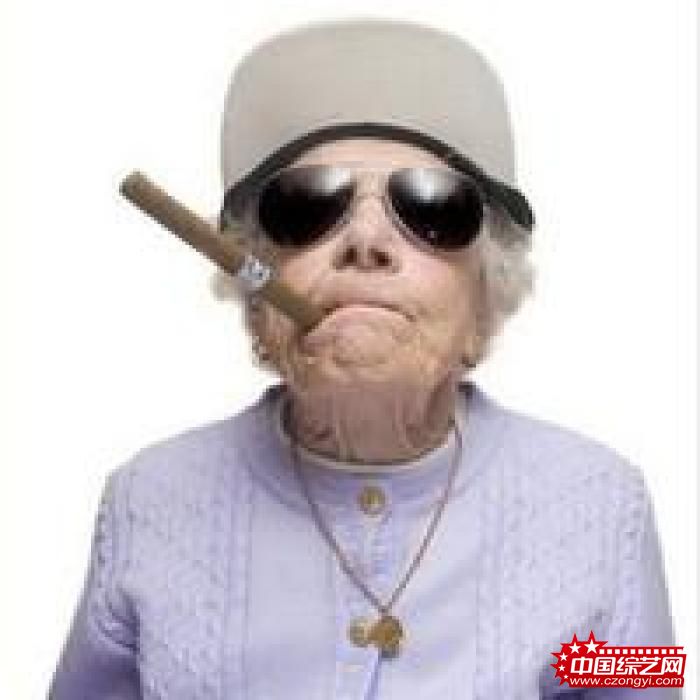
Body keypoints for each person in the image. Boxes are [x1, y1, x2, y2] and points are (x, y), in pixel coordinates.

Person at [49, 17, 679, 699]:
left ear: (486, 298)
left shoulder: (603, 505)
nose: (366, 240)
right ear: (256, 299)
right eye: (308, 205)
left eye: (432, 206)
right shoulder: (147, 500)